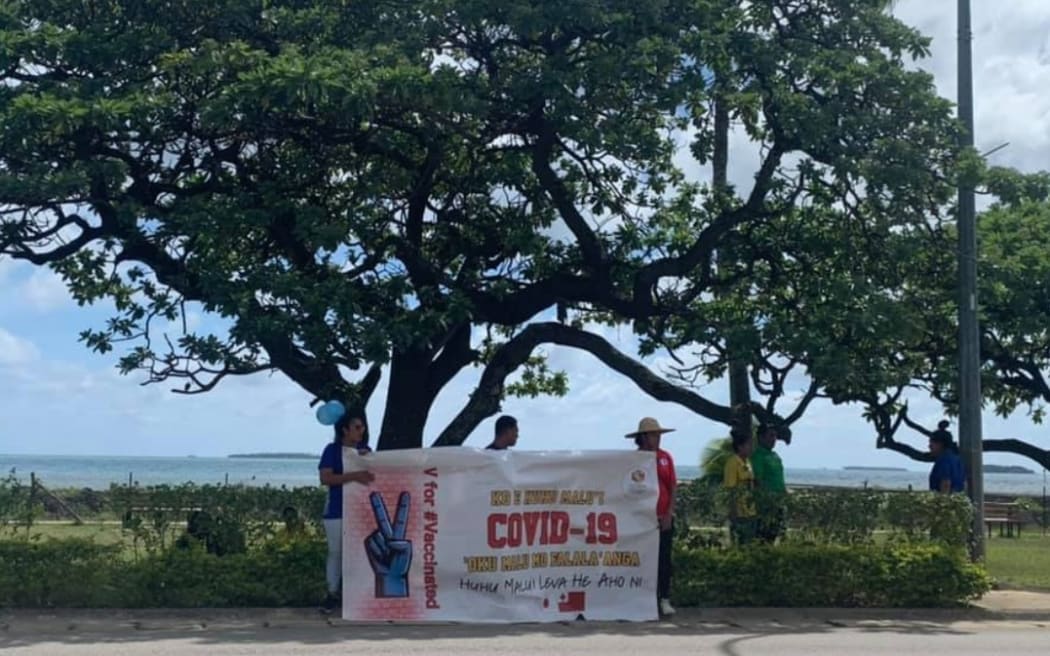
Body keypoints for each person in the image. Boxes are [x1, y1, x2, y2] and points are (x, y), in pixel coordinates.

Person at [318, 408, 375, 613]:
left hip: (359, 512)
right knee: (336, 553)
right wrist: (353, 476)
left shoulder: (365, 451)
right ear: (345, 430)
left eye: (363, 427)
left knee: (359, 553)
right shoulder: (332, 451)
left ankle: (355, 594)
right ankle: (332, 593)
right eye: (357, 427)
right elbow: (326, 478)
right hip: (335, 511)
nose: (361, 431)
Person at [626, 417, 677, 617]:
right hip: (640, 518)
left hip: (661, 516)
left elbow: (673, 487)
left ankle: (663, 598)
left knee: (663, 560)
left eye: (659, 435)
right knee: (639, 559)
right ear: (644, 437)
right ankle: (638, 597)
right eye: (654, 435)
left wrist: (669, 513)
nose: (658, 438)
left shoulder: (665, 457)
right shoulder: (633, 460)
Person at [751, 423, 787, 543]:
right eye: (770, 436)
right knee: (763, 536)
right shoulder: (758, 456)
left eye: (775, 436)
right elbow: (757, 480)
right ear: (761, 437)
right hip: (766, 504)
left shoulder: (775, 455)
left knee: (775, 533)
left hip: (779, 501)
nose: (774, 439)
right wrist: (765, 500)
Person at [723, 430, 757, 545]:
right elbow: (731, 489)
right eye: (748, 445)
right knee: (739, 541)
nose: (750, 448)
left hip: (750, 510)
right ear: (740, 446)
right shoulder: (733, 462)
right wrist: (733, 511)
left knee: (750, 542)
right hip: (739, 510)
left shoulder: (748, 462)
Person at [929, 420, 965, 494]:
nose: (929, 446)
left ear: (940, 444)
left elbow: (945, 483)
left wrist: (942, 503)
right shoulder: (956, 458)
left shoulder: (944, 460)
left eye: (932, 443)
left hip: (947, 502)